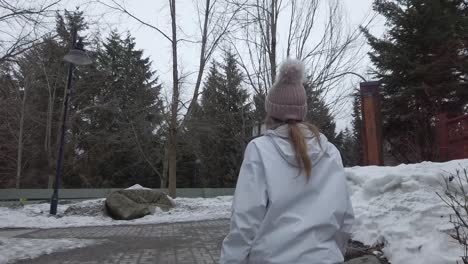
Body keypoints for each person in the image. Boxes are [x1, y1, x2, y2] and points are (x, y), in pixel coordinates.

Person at [219, 59, 354, 264]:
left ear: (271, 112)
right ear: (303, 111)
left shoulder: (259, 150)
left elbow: (245, 220)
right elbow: (344, 217)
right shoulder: (331, 152)